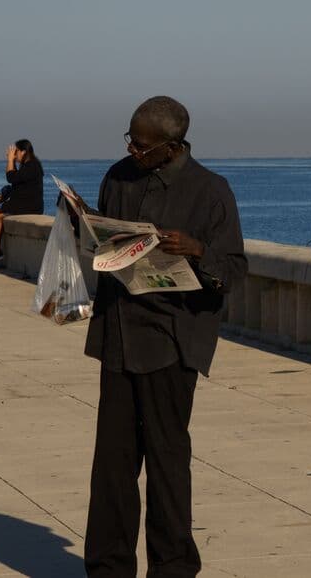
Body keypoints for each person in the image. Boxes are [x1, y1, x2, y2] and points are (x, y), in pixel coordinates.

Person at [84, 96, 247, 577]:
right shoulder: (117, 177)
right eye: (130, 141)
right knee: (112, 464)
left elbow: (234, 269)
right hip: (118, 335)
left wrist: (196, 250)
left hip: (173, 342)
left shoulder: (211, 191)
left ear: (172, 147)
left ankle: (173, 566)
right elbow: (105, 247)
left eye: (142, 145)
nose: (133, 151)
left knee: (167, 460)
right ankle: (108, 567)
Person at [0, 139, 44, 265]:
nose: (14, 154)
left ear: (24, 151)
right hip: (22, 202)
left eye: (16, 151)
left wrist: (10, 160)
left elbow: (11, 177)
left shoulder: (32, 165)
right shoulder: (27, 165)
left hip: (29, 205)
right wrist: (13, 161)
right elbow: (15, 180)